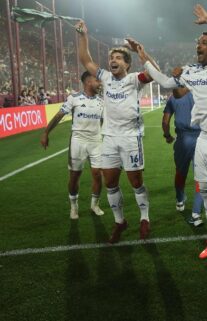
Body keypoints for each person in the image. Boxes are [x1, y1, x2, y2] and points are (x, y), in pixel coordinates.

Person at [140, 4, 207, 264]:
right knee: (206, 191)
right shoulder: (192, 71)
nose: (198, 45)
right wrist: (143, 57)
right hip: (203, 140)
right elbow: (165, 82)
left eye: (204, 42)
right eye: (197, 42)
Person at [76, 21, 158, 243]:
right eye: (112, 58)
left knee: (135, 182)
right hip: (110, 138)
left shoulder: (135, 79)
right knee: (110, 182)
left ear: (128, 64)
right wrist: (84, 35)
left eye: (119, 58)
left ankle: (144, 218)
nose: (113, 60)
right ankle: (120, 222)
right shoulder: (104, 77)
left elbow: (156, 73)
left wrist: (140, 51)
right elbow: (85, 59)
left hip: (131, 137)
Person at [40, 71, 105, 220]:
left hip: (96, 141)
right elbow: (59, 116)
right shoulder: (73, 98)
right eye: (97, 80)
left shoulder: (102, 101)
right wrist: (46, 133)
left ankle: (95, 205)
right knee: (75, 176)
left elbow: (104, 122)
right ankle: (74, 207)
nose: (99, 83)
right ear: (88, 82)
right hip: (78, 141)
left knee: (97, 174)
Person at [162, 89, 204, 227]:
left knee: (180, 172)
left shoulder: (173, 97)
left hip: (182, 140)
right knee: (201, 176)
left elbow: (165, 122)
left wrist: (167, 136)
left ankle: (180, 200)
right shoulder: (201, 93)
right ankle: (196, 214)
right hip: (201, 138)